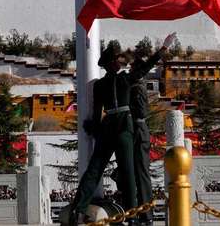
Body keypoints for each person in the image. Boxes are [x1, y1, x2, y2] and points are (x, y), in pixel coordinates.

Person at [67, 33, 176, 226]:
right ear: (112, 64)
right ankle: (132, 215)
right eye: (117, 60)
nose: (119, 62)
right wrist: (163, 49)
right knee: (128, 172)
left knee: (94, 169)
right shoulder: (125, 79)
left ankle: (79, 208)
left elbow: (96, 113)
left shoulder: (99, 85)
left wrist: (96, 130)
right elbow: (145, 67)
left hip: (108, 125)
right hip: (124, 126)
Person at [128, 35, 173, 226]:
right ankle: (140, 212)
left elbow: (145, 67)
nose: (129, 69)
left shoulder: (135, 83)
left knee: (141, 173)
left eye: (131, 68)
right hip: (136, 129)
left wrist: (162, 50)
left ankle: (145, 214)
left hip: (138, 129)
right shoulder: (135, 84)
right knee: (134, 173)